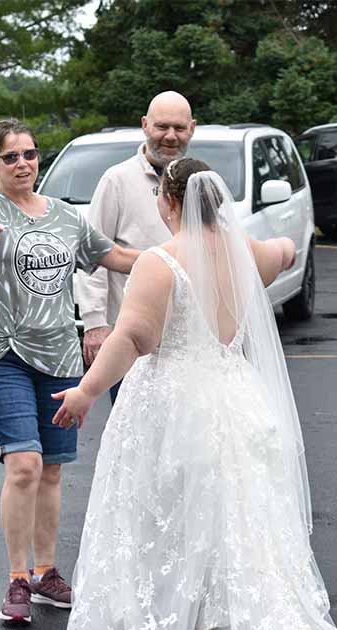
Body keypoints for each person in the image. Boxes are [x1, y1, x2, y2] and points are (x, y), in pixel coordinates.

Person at [54, 158, 337, 630]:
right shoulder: (247, 254)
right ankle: (223, 615)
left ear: (169, 202)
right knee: (234, 509)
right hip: (236, 394)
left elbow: (132, 339)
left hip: (174, 399)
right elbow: (284, 254)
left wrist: (85, 391)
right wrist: (281, 248)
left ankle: (174, 618)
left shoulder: (159, 262)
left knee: (167, 509)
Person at [0, 118, 141, 627]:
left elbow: (114, 256)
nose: (23, 164)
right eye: (10, 157)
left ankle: (45, 573)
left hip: (59, 357)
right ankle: (17, 580)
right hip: (2, 354)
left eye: (30, 155)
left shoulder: (65, 216)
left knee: (53, 470)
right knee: (25, 466)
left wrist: (169, 262)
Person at [75, 91, 196, 402]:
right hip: (130, 341)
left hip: (190, 345)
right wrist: (95, 324)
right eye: (162, 126)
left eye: (179, 128)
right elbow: (92, 255)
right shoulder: (117, 180)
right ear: (145, 125)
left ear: (192, 129)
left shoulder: (202, 181)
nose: (171, 136)